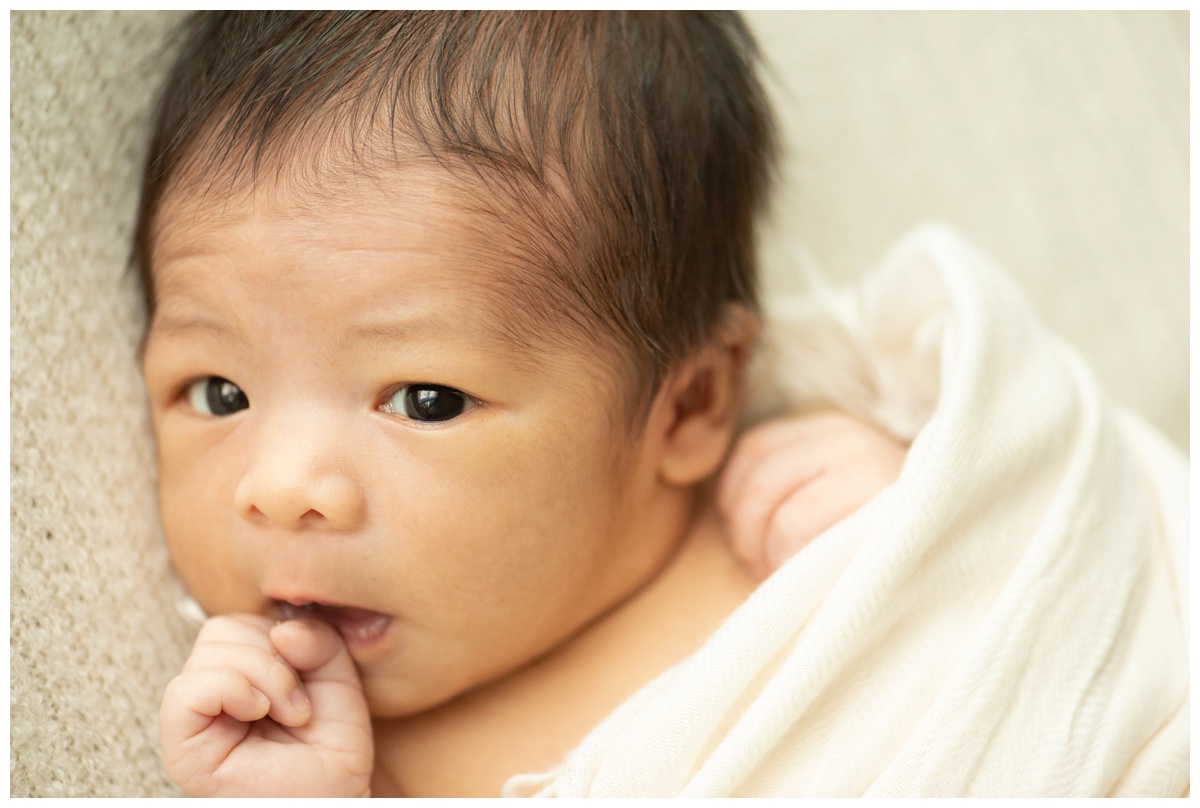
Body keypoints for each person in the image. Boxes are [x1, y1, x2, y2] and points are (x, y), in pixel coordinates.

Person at [139, 11, 906, 797]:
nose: (278, 489)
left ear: (690, 404)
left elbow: (1016, 559)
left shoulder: (802, 505)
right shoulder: (328, 754)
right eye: (220, 395)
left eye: (426, 401)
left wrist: (916, 507)